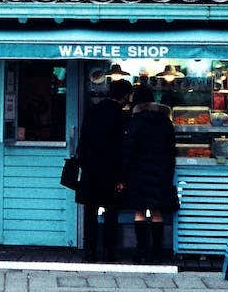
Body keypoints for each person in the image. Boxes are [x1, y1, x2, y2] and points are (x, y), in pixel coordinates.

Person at [119, 85, 179, 263]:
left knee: (139, 211)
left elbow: (128, 150)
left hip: (138, 173)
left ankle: (141, 251)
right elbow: (171, 150)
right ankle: (158, 252)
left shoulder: (135, 121)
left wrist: (123, 176)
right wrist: (169, 172)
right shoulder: (165, 121)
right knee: (157, 212)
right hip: (160, 172)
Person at [76, 77, 132, 261]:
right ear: (124, 97)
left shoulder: (92, 111)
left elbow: (83, 141)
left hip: (91, 169)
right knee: (111, 213)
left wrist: (83, 163)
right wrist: (122, 176)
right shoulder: (121, 116)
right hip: (111, 170)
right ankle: (109, 252)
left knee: (90, 212)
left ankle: (89, 251)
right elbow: (122, 148)